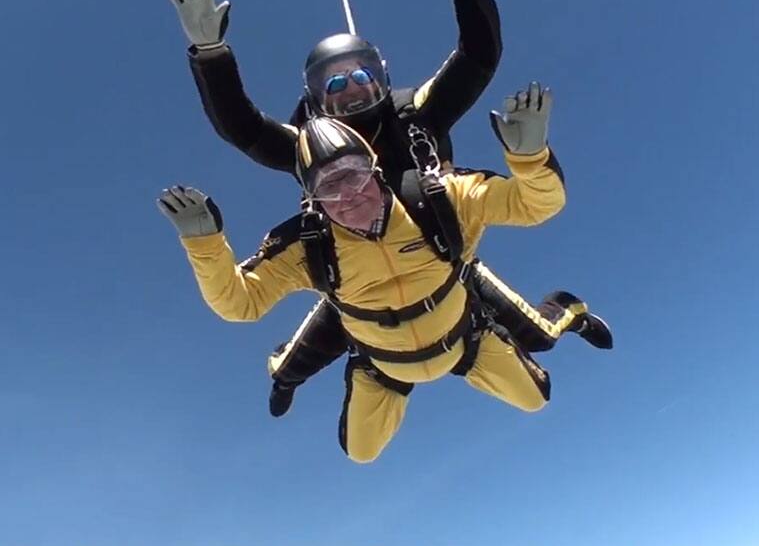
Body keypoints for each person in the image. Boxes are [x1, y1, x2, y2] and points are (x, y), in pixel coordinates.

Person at [165, 0, 610, 418]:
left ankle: (569, 309)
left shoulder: (415, 115)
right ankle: (306, 373)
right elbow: (243, 128)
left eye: (363, 75)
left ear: (383, 76)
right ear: (314, 101)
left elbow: (477, 56)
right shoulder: (311, 147)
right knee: (292, 366)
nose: (351, 88)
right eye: (333, 84)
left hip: (442, 264)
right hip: (355, 283)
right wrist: (209, 54)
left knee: (539, 335)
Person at [158, 83, 610, 463]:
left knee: (536, 393)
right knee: (360, 452)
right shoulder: (307, 243)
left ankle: (569, 308)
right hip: (383, 362)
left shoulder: (439, 200)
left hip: (464, 338)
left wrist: (530, 158)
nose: (348, 196)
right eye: (327, 188)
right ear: (311, 198)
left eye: (353, 174)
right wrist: (205, 246)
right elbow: (239, 303)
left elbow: (536, 205)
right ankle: (291, 370)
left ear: (377, 169)